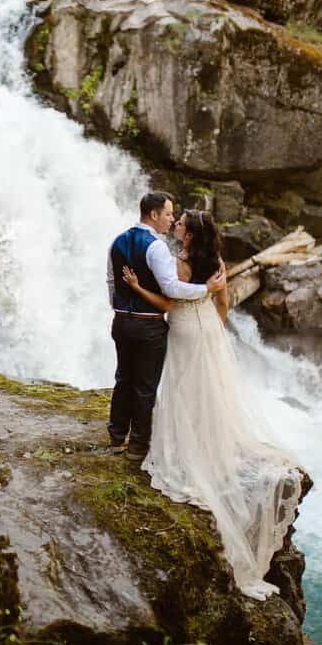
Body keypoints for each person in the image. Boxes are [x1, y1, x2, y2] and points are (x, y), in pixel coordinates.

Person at [121, 208, 304, 601]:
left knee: (185, 390)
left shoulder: (179, 264)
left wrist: (136, 289)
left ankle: (189, 450)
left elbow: (169, 303)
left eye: (181, 224)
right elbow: (222, 304)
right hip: (209, 328)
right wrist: (214, 325)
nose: (177, 225)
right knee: (210, 389)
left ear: (188, 237)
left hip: (185, 328)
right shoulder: (217, 262)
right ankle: (209, 442)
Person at [106, 192, 226, 463]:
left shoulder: (116, 241)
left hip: (121, 321)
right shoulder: (156, 247)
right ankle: (138, 446)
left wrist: (121, 308)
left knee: (123, 378)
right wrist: (206, 288)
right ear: (154, 215)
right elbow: (171, 288)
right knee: (145, 386)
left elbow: (111, 282)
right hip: (149, 325)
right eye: (169, 214)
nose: (171, 221)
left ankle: (116, 437)